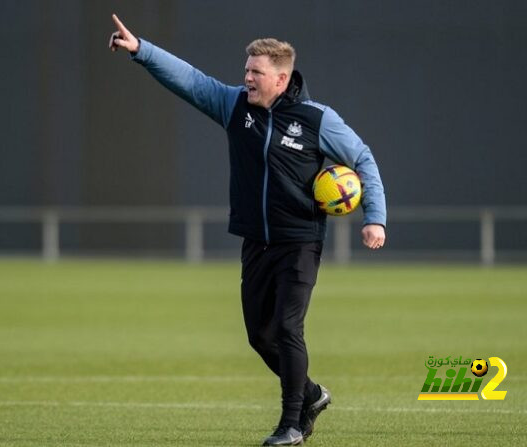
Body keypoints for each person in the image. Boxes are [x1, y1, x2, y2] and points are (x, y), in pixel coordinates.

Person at [109, 13, 386, 446]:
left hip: (299, 242)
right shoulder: (235, 106)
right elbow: (192, 81)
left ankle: (292, 423)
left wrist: (375, 218)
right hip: (256, 242)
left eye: (255, 72)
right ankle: (311, 394)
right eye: (246, 70)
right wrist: (142, 50)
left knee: (288, 329)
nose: (247, 78)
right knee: (260, 336)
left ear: (281, 78)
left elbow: (363, 159)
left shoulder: (317, 119)